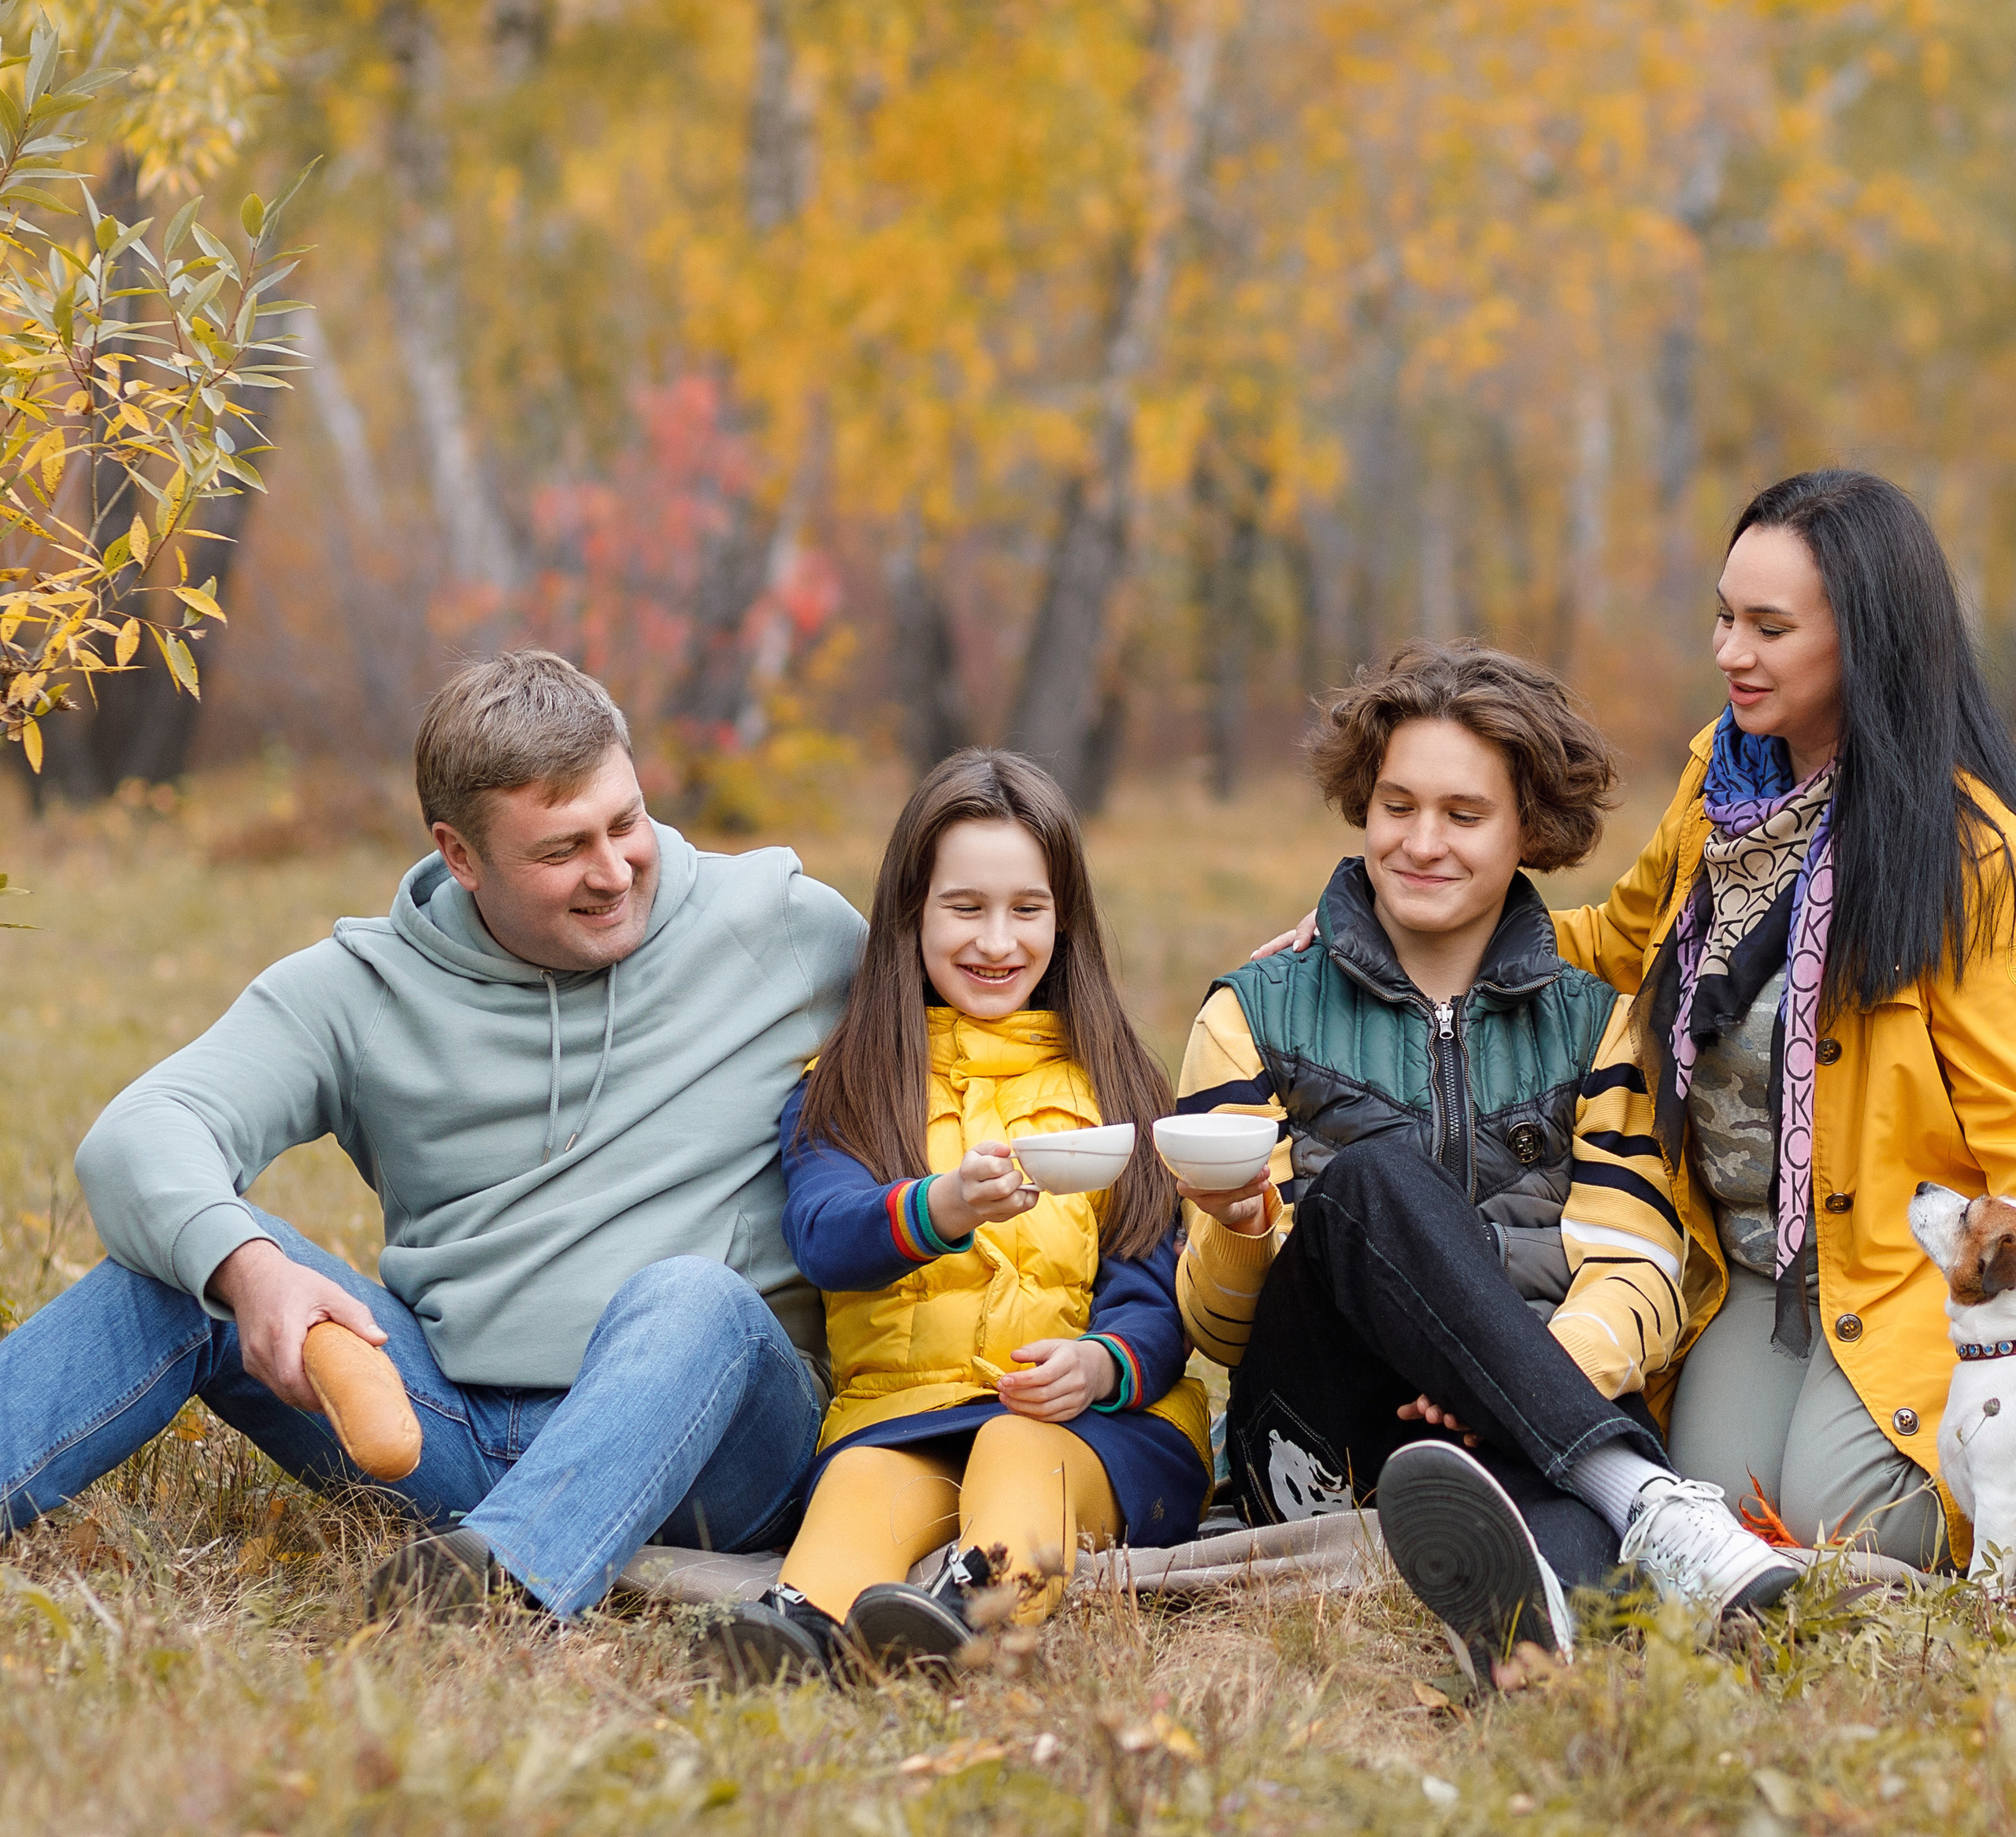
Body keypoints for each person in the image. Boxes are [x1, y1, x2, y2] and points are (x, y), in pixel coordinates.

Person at [0, 650, 866, 1620]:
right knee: (184, 1266)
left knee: (692, 1293)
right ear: (460, 855)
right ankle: (502, 1549)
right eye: (561, 849)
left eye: (627, 822)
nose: (614, 869)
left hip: (721, 1450)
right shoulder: (362, 989)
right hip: (454, 1427)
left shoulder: (788, 928)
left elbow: (985, 1040)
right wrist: (248, 1268)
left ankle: (491, 1597)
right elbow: (140, 1132)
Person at [1180, 641, 1799, 1682]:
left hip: (1527, 1417)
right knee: (1370, 1180)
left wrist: (1503, 1382)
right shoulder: (1252, 1012)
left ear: (1530, 833)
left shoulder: (1598, 1028)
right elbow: (1219, 1330)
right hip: (1324, 1441)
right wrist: (1242, 1232)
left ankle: (1533, 1645)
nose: (1422, 842)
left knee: (1575, 1582)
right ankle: (1643, 1496)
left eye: (1464, 816)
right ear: (1363, 808)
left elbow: (1635, 1269)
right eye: (1397, 806)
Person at [1551, 470, 2016, 1570]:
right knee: (1713, 1502)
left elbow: (2011, 1134)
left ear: (1868, 642)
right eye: (1723, 617)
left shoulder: (1965, 853)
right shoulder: (1722, 779)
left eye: (1769, 627)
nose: (1730, 653)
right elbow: (1623, 940)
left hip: (1899, 1272)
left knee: (1840, 1529)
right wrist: (1402, 921)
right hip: (1750, 1267)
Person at [706, 750, 1211, 1680]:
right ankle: (795, 1625)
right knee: (863, 1477)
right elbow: (823, 1237)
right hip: (907, 1412)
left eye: (1027, 909)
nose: (996, 940)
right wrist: (935, 1207)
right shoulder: (848, 1089)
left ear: (1066, 918)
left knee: (1020, 1445)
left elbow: (1153, 1288)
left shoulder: (1118, 1085)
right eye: (964, 907)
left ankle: (970, 1613)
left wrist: (1102, 1364)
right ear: (911, 913)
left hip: (1095, 1430)